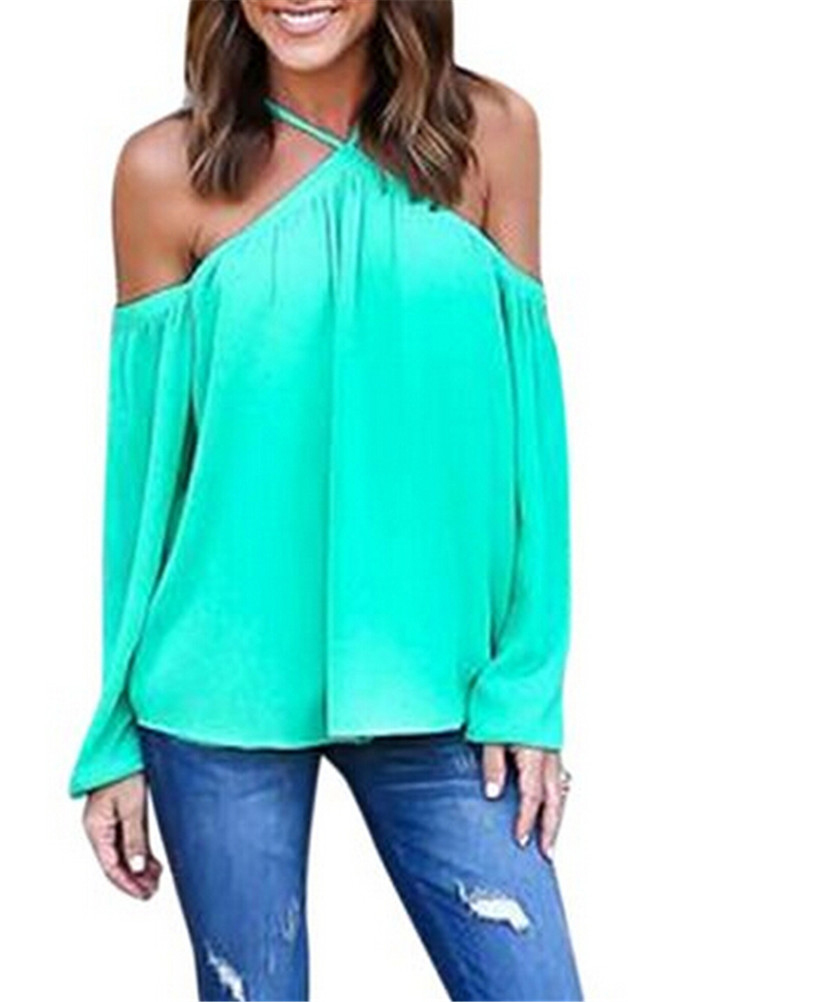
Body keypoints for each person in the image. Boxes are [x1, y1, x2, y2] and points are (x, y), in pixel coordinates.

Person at [68, 2, 583, 999]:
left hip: (443, 685)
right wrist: (113, 731)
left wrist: (531, 682)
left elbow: (534, 434)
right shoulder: (163, 173)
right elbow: (143, 481)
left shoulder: (494, 136)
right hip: (216, 696)